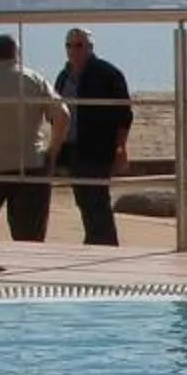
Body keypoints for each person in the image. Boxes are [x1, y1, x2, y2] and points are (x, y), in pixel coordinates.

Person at [0, 33, 67, 242]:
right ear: (17, 54)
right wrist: (53, 150)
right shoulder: (34, 79)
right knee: (29, 234)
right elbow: (62, 115)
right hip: (29, 163)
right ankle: (27, 268)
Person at [52, 27, 133, 245]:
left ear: (89, 47)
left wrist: (120, 147)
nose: (73, 50)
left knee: (97, 200)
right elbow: (57, 112)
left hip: (97, 148)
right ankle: (94, 240)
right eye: (68, 45)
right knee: (83, 200)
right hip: (72, 147)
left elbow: (124, 115)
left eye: (78, 45)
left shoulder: (108, 74)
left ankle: (106, 244)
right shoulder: (63, 76)